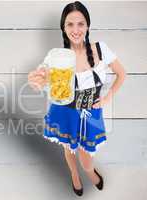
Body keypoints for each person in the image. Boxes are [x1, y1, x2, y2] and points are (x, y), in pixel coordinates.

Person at [28, 1, 126, 196]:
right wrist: (36, 80)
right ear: (63, 28)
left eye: (80, 23)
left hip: (91, 113)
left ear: (87, 25)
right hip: (65, 111)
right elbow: (42, 76)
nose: (75, 29)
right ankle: (74, 173)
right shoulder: (57, 57)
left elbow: (122, 74)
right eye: (69, 24)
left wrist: (106, 99)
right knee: (69, 148)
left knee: (86, 158)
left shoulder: (100, 49)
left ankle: (89, 171)